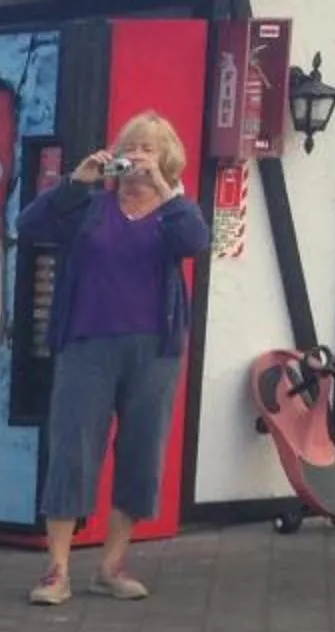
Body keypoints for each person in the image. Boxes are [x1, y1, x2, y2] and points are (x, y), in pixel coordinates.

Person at [14, 113, 210, 604]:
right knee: (72, 449)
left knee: (142, 451)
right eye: (132, 146)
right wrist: (73, 184)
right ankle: (57, 570)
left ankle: (113, 564)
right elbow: (29, 225)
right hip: (87, 343)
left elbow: (196, 242)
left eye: (149, 148)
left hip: (155, 349)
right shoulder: (91, 206)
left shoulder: (173, 211)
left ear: (165, 158)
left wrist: (166, 189)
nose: (139, 155)